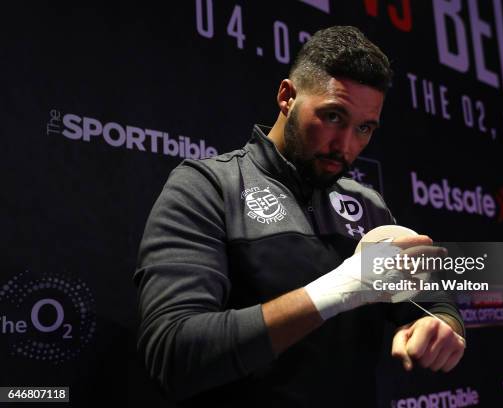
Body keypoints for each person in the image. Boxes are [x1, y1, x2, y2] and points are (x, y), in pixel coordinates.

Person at [134, 26, 465, 407]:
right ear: (287, 97)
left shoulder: (368, 206)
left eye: (363, 128)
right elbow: (172, 354)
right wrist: (339, 288)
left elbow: (436, 302)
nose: (345, 146)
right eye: (333, 116)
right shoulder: (209, 186)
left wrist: (441, 327)